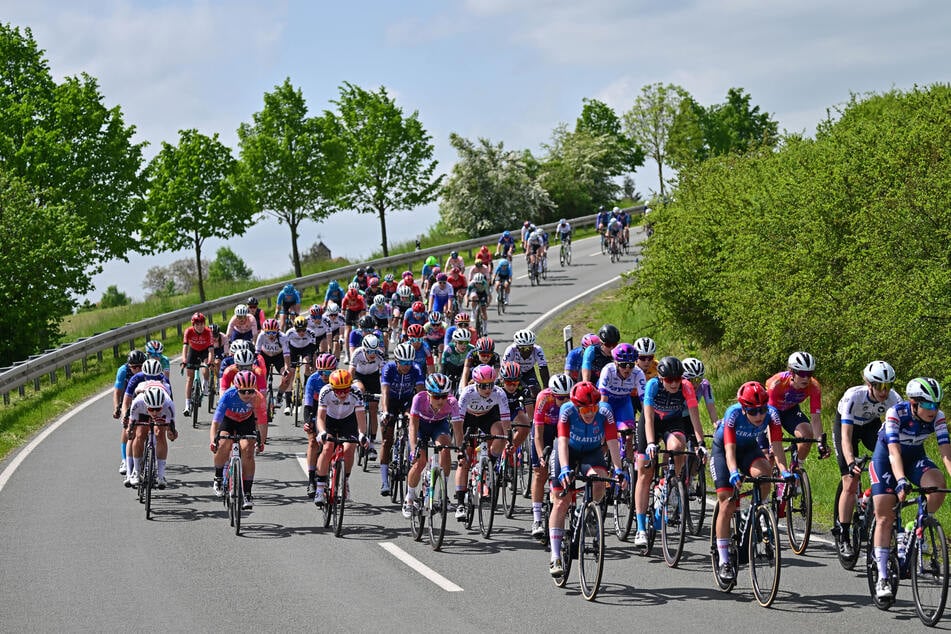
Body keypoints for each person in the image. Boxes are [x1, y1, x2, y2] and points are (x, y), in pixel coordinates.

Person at [869, 377, 951, 600]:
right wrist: (902, 480)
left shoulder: (939, 418)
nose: (933, 410)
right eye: (928, 404)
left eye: (937, 404)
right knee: (885, 516)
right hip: (886, 458)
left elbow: (945, 453)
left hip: (915, 458)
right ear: (913, 402)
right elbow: (894, 452)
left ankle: (915, 527)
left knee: (938, 485)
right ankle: (883, 577)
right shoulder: (896, 413)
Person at [710, 381, 792, 583]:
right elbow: (729, 449)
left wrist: (785, 471)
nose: (759, 415)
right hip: (724, 451)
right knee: (727, 502)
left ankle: (754, 510)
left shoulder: (772, 415)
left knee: (765, 475)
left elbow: (778, 447)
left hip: (748, 450)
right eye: (753, 411)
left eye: (762, 410)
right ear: (744, 408)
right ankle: (724, 560)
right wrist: (733, 472)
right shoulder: (734, 414)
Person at [548, 381, 625, 576]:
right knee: (560, 500)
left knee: (600, 481)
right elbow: (563, 442)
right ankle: (555, 556)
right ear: (576, 406)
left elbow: (612, 441)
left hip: (591, 453)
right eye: (585, 409)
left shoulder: (605, 412)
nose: (590, 413)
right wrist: (565, 469)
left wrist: (618, 469)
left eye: (593, 408)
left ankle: (586, 511)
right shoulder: (567, 411)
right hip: (567, 452)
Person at [633, 356, 705, 547]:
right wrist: (650, 443)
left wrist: (701, 443)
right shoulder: (653, 386)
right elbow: (647, 418)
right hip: (652, 423)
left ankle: (668, 482)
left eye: (677, 379)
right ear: (662, 378)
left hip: (672, 421)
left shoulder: (686, 386)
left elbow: (695, 418)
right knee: (644, 472)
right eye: (669, 380)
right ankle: (640, 528)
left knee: (678, 447)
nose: (674, 384)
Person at [832, 361, 901, 558]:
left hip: (872, 426)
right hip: (848, 427)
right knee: (850, 481)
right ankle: (844, 534)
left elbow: (897, 435)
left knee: (889, 459)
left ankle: (872, 499)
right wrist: (851, 462)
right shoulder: (853, 396)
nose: (884, 391)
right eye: (879, 386)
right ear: (869, 384)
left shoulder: (894, 399)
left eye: (888, 386)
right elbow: (845, 436)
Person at [454, 365, 511, 520]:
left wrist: (509, 438)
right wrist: (460, 444)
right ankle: (460, 504)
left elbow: (505, 419)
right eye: (484, 386)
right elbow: (458, 422)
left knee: (499, 435)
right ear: (476, 384)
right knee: (464, 458)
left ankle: (488, 465)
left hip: (488, 416)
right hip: (468, 418)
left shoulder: (499, 393)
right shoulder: (467, 393)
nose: (488, 389)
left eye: (491, 385)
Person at [403, 373, 461, 518]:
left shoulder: (453, 402)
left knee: (445, 450)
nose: (441, 400)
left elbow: (458, 428)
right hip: (420, 426)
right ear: (428, 394)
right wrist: (413, 447)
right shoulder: (419, 399)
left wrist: (460, 449)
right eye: (436, 396)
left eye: (444, 396)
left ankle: (443, 493)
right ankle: (409, 498)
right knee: (420, 462)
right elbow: (413, 425)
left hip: (439, 425)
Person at [210, 370, 268, 509]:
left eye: (250, 391)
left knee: (248, 451)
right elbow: (216, 422)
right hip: (228, 421)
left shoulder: (258, 397)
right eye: (243, 392)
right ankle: (218, 477)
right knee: (223, 443)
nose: (247, 394)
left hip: (246, 421)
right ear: (237, 389)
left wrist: (262, 442)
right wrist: (213, 440)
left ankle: (247, 493)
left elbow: (262, 423)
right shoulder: (228, 396)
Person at [312, 369, 369, 505]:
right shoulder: (325, 391)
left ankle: (345, 481)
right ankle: (319, 489)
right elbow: (320, 417)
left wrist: (362, 435)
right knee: (328, 447)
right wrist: (321, 432)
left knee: (349, 448)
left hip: (348, 420)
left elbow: (361, 418)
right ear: (332, 388)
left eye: (345, 389)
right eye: (338, 390)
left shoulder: (356, 393)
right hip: (329, 421)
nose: (342, 393)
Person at [529, 374, 574, 539]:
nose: (564, 401)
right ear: (553, 394)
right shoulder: (544, 398)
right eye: (560, 398)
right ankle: (537, 519)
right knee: (540, 472)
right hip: (545, 428)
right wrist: (541, 456)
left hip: (563, 428)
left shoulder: (572, 400)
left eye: (567, 397)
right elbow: (538, 435)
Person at [379, 343, 426, 496]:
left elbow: (420, 394)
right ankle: (385, 481)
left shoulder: (416, 369)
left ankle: (406, 447)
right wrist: (385, 412)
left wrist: (421, 413)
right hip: (391, 401)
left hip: (407, 401)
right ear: (397, 361)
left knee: (412, 419)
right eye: (403, 363)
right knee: (387, 440)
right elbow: (385, 393)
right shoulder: (388, 368)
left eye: (409, 363)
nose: (406, 366)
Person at [765, 351, 830, 462]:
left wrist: (820, 443)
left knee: (807, 435)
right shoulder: (776, 383)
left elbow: (815, 418)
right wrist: (772, 444)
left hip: (790, 411)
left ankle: (797, 466)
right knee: (769, 457)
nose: (806, 378)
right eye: (802, 373)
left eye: (809, 374)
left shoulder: (814, 387)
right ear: (792, 372)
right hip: (770, 411)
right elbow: (771, 414)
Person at [597, 343, 646, 457]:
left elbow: (645, 403)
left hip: (623, 403)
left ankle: (627, 468)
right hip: (606, 401)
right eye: (623, 365)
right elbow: (603, 401)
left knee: (628, 437)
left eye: (631, 364)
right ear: (615, 363)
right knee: (603, 440)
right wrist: (602, 424)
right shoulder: (607, 370)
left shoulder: (638, 373)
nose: (627, 369)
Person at [125, 386, 178, 489]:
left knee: (160, 434)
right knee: (139, 434)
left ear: (162, 405)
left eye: (157, 409)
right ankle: (136, 471)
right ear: (146, 405)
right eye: (151, 409)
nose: (154, 412)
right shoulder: (138, 402)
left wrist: (171, 433)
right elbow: (131, 426)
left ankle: (161, 475)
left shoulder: (168, 404)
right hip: (142, 413)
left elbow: (171, 429)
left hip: (162, 415)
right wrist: (130, 431)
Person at [302, 353, 338, 495]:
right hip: (316, 411)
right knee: (312, 442)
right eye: (321, 371)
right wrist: (307, 421)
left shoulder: (339, 379)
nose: (324, 375)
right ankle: (311, 480)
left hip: (333, 412)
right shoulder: (313, 379)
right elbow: (308, 403)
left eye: (328, 372)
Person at [502, 329, 550, 402]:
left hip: (528, 371)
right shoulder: (511, 350)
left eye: (529, 347)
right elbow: (504, 369)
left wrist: (546, 389)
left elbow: (543, 369)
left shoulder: (537, 350)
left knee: (535, 391)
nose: (526, 351)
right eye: (523, 348)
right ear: (517, 347)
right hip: (513, 373)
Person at [181, 312, 214, 417]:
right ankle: (187, 405)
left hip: (205, 351)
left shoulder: (208, 332)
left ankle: (205, 385)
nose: (200, 326)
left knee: (205, 368)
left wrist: (210, 362)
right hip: (193, 351)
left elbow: (211, 350)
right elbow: (185, 348)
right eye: (197, 324)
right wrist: (184, 360)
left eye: (201, 324)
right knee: (189, 377)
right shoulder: (188, 331)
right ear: (193, 324)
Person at [682, 357, 718, 425]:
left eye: (698, 379)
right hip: (672, 418)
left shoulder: (704, 385)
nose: (695, 384)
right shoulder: (677, 385)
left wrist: (717, 426)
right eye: (691, 380)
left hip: (689, 416)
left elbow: (711, 409)